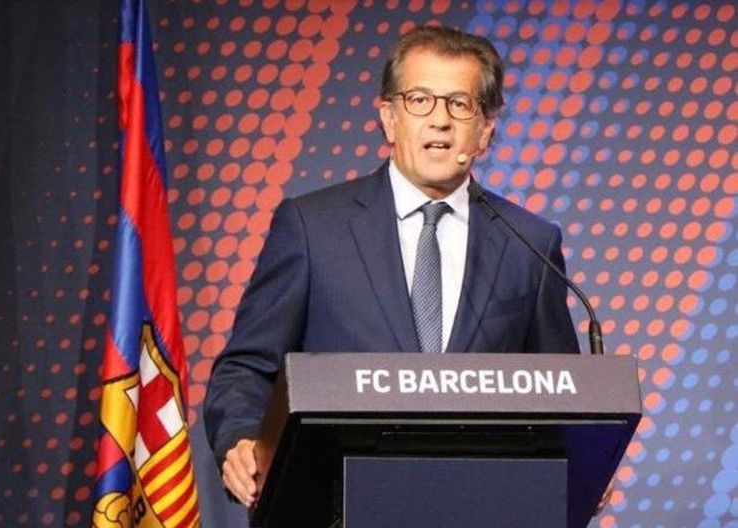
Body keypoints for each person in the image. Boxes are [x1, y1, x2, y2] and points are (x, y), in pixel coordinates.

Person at [203, 25, 580, 508]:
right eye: (420, 100)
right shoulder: (312, 228)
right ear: (389, 119)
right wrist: (240, 437)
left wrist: (583, 458)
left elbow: (561, 392)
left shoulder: (530, 242)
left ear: (485, 129)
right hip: (334, 499)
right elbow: (248, 366)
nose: (440, 121)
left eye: (459, 104)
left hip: (480, 504)